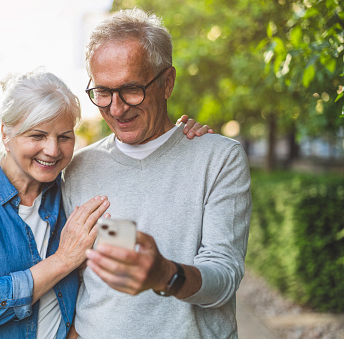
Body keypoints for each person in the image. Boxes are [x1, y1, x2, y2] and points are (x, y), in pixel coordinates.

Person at [0, 70, 210, 338]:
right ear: (6, 134)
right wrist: (63, 260)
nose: (53, 150)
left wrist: (171, 140)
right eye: (37, 136)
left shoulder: (72, 186)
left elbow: (119, 263)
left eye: (64, 137)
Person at [62, 8, 252, 339]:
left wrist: (165, 274)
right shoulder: (79, 167)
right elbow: (74, 277)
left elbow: (224, 276)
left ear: (167, 83)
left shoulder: (219, 158)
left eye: (131, 89)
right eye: (103, 92)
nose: (116, 109)